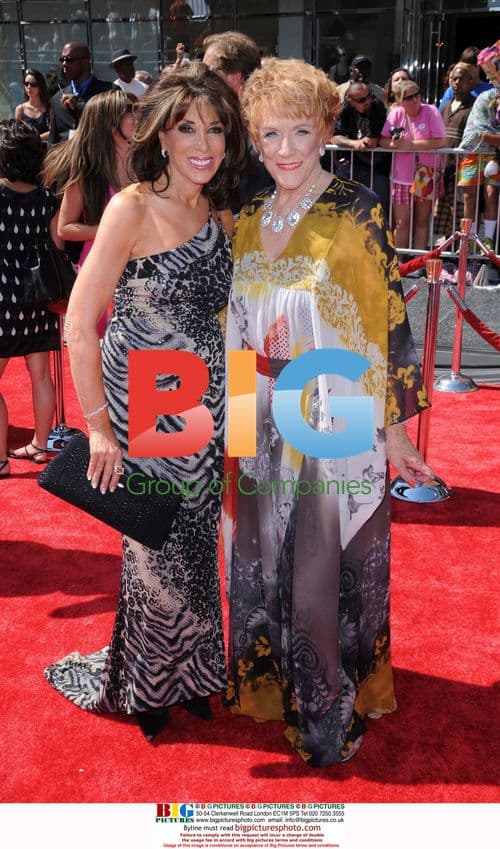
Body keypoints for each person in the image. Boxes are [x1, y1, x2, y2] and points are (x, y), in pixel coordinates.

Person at [222, 58, 433, 767]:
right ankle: (277, 681)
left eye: (301, 131)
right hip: (263, 413)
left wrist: (398, 428)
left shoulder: (355, 211)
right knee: (263, 560)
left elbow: (388, 320)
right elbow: (238, 327)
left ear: (325, 133)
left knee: (318, 567)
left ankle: (324, 707)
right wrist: (235, 423)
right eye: (271, 133)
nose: (285, 148)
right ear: (254, 137)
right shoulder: (250, 217)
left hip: (334, 415)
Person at [44, 64, 247, 740]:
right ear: (160, 134)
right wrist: (98, 430)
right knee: (154, 543)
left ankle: (191, 673)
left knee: (194, 540)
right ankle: (147, 682)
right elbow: (78, 322)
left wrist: (238, 422)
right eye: (187, 126)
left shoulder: (218, 209)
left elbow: (233, 322)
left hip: (205, 400)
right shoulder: (130, 206)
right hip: (144, 399)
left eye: (215, 128)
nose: (203, 141)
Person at [44, 89, 137, 336]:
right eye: (128, 110)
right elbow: (65, 227)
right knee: (97, 344)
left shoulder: (147, 165)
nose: (136, 116)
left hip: (140, 269)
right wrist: (110, 231)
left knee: (135, 343)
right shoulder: (89, 173)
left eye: (137, 109)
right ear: (108, 122)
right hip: (98, 267)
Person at [0, 121, 60, 476]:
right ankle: (41, 443)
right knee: (40, 376)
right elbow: (55, 248)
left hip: (3, 300)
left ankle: (1, 461)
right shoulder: (47, 199)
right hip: (38, 298)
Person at [202, 31, 271, 210]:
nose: (201, 77)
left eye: (208, 70)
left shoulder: (266, 120)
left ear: (235, 77)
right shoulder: (217, 118)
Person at [380, 80, 446, 249]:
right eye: (409, 97)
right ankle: (400, 264)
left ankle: (416, 263)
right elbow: (382, 140)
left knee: (422, 222)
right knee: (401, 223)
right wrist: (394, 144)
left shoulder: (431, 111)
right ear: (401, 100)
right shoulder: (396, 114)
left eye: (417, 94)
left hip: (426, 173)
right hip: (401, 177)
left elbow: (441, 140)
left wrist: (411, 145)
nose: (416, 99)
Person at [457, 41, 500, 252]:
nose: (492, 77)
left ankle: (489, 239)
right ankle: (468, 240)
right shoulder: (485, 97)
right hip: (473, 152)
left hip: (495, 155)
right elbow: (483, 132)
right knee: (469, 195)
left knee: (491, 193)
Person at [331, 79, 390, 213]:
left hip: (377, 168)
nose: (367, 101)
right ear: (350, 100)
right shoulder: (346, 110)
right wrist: (354, 143)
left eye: (368, 96)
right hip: (353, 166)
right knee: (339, 201)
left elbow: (372, 141)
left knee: (379, 210)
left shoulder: (377, 106)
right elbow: (335, 137)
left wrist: (363, 142)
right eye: (361, 100)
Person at [434, 63, 475, 243]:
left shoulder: (473, 106)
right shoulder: (446, 106)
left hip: (463, 170)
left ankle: (461, 256)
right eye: (454, 79)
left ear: (470, 81)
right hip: (444, 170)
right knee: (441, 217)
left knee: (460, 216)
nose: (457, 82)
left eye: (462, 79)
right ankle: (443, 256)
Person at [49, 41, 113, 144]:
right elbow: (53, 142)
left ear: (85, 62)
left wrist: (80, 107)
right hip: (68, 159)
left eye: (69, 60)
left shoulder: (108, 93)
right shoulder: (56, 99)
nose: (64, 64)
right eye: (62, 60)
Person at [438, 46, 493, 112]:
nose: (464, 70)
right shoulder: (453, 90)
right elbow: (441, 115)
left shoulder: (490, 90)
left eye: (468, 67)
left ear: (478, 66)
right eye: (463, 66)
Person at [14, 69, 50, 142]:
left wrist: (36, 140)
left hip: (46, 149)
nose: (29, 87)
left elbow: (53, 131)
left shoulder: (49, 107)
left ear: (40, 86)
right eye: (26, 83)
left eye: (33, 84)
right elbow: (17, 133)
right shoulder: (20, 109)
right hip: (26, 151)